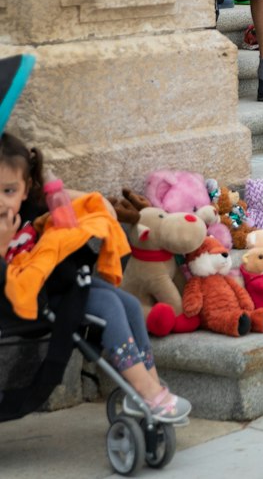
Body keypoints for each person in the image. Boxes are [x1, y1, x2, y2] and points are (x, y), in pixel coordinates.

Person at [0, 131, 191, 422]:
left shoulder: (29, 209)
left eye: (9, 191)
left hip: (59, 288)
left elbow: (66, 202)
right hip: (23, 302)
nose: (1, 202)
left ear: (25, 189)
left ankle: (150, 385)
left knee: (127, 304)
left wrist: (94, 200)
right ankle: (146, 391)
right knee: (110, 308)